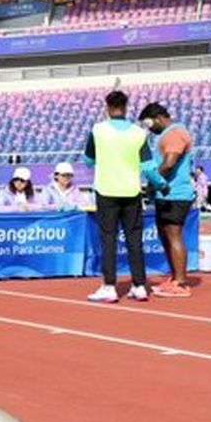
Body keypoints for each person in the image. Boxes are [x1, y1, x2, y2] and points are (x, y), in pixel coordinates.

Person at [83, 90, 153, 303]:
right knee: (134, 239)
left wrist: (104, 161)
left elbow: (88, 159)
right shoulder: (139, 133)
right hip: (131, 191)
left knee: (108, 239)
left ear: (107, 107)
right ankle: (139, 285)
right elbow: (148, 166)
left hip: (106, 190)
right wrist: (159, 184)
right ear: (126, 107)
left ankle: (109, 286)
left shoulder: (98, 130)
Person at [139, 103, 195, 298]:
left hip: (175, 194)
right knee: (165, 235)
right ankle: (174, 277)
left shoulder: (174, 133)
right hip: (166, 194)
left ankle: (180, 282)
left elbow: (169, 163)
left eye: (149, 123)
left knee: (173, 235)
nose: (149, 129)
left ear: (158, 118)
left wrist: (153, 183)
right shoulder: (168, 134)